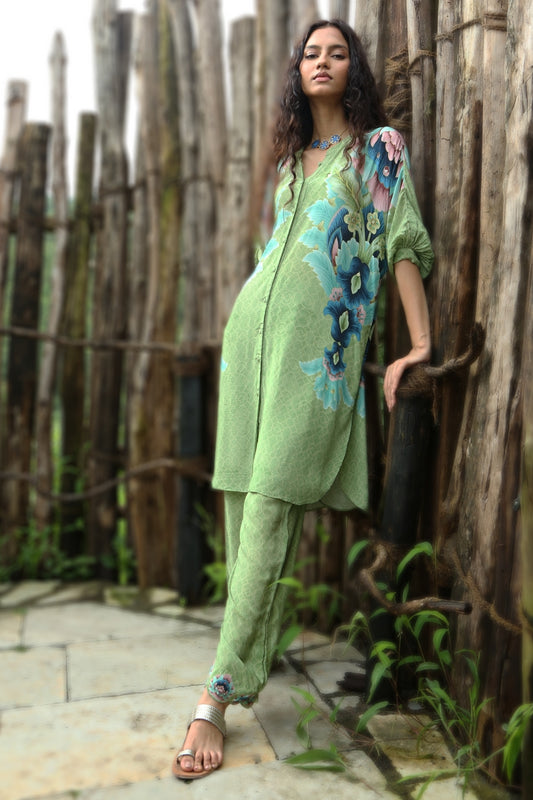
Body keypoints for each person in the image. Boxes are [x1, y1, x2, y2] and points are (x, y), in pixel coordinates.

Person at [172, 18, 433, 780]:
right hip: (250, 346)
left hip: (315, 361)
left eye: (337, 52)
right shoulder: (291, 164)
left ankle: (214, 700)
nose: (322, 61)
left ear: (354, 69)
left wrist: (419, 343)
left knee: (269, 505)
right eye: (310, 53)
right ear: (298, 71)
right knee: (241, 503)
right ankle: (245, 657)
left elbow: (400, 240)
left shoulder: (378, 149)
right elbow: (275, 253)